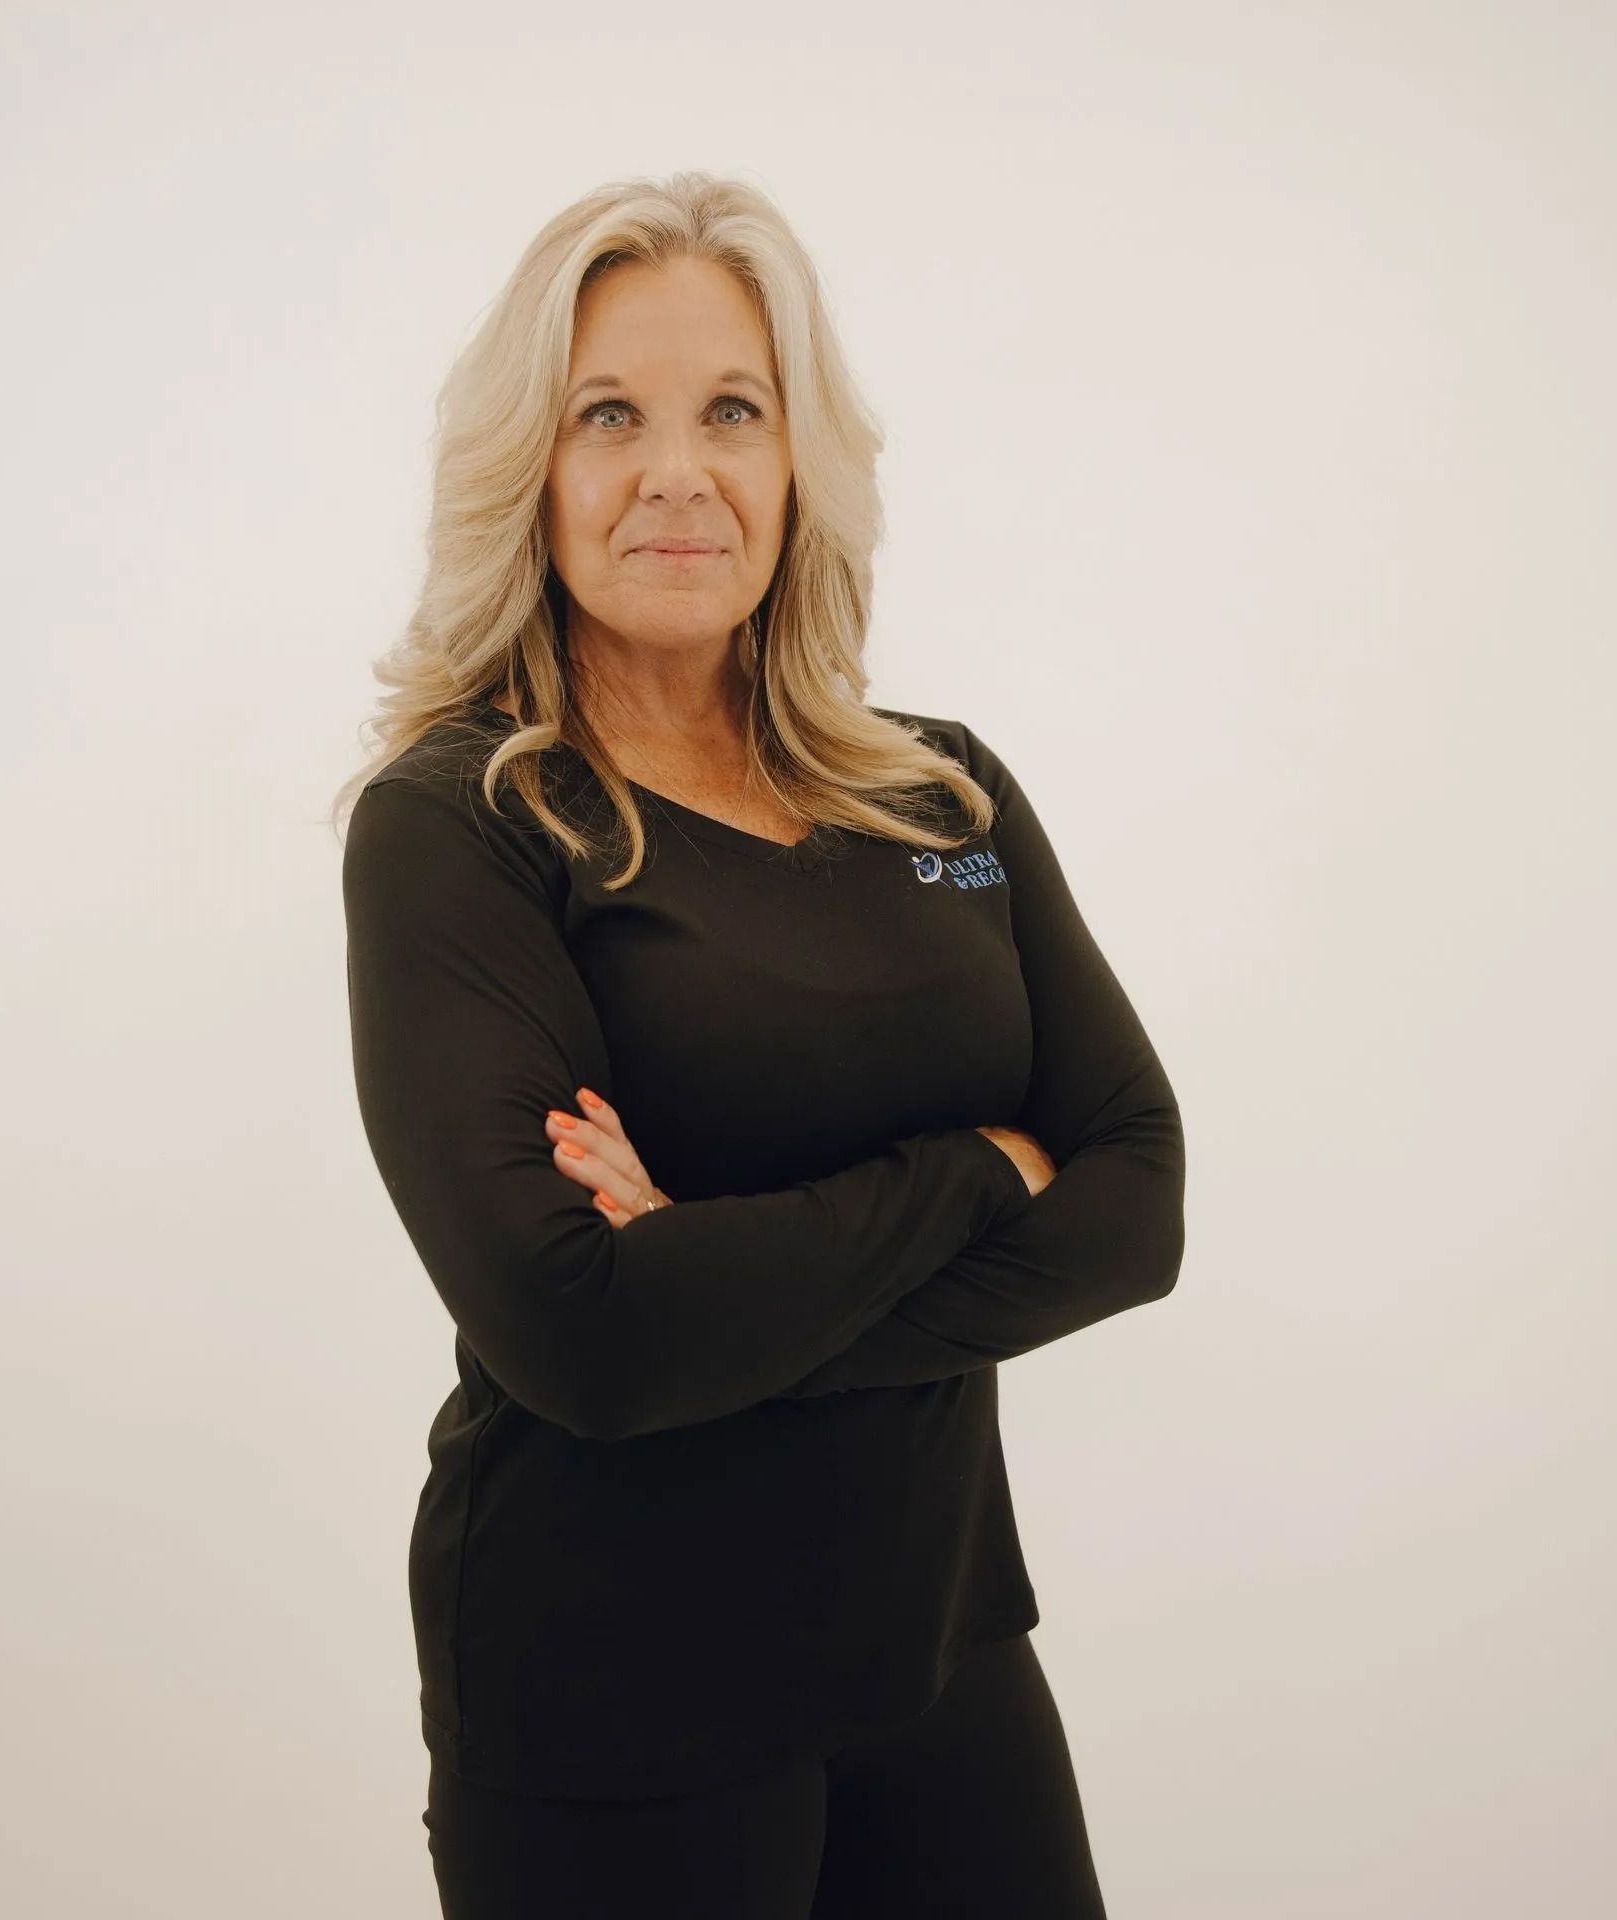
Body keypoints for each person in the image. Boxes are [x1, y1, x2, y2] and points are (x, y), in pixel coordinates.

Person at [335, 170, 1186, 1918]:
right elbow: (588, 1339)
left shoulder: (939, 795)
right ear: (532, 471)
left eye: (733, 409)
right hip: (608, 1692)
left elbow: (1137, 1203)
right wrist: (974, 1170)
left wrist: (710, 1282)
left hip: (940, 1643)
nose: (677, 472)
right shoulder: (465, 825)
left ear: (801, 464)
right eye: (606, 416)